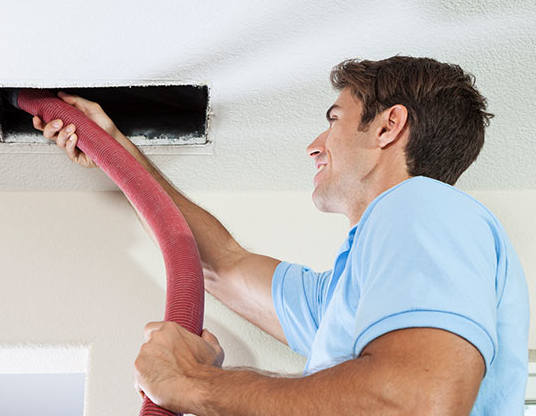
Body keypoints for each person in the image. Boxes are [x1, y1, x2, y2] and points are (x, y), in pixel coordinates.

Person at [34, 56, 529, 415]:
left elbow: (418, 400)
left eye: (334, 120)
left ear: (388, 126)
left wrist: (199, 384)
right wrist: (118, 153)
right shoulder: (349, 297)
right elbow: (221, 265)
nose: (314, 146)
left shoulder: (422, 205)